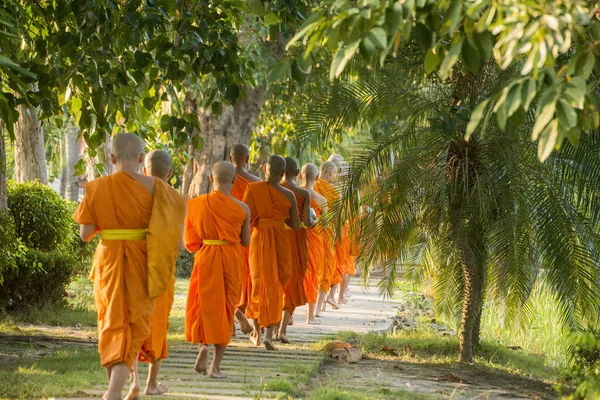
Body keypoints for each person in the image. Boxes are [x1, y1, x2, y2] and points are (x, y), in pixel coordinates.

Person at [73, 134, 186, 400]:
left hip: (109, 260)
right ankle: (116, 391)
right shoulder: (166, 193)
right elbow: (177, 244)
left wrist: (111, 222)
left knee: (111, 323)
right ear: (139, 159)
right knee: (135, 325)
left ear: (111, 158)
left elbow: (85, 234)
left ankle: (112, 392)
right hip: (144, 263)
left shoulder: (97, 188)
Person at [125, 150, 186, 397]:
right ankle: (152, 384)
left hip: (135, 266)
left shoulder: (133, 195)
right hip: (162, 270)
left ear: (145, 169)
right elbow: (181, 245)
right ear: (170, 173)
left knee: (133, 321)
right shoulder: (178, 200)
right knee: (158, 323)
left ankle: (134, 381)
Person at [184, 161, 251, 378]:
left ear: (211, 179)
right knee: (225, 307)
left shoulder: (195, 204)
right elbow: (246, 241)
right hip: (230, 257)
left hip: (206, 257)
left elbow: (190, 242)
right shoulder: (242, 208)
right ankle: (215, 367)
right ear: (233, 180)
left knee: (203, 304)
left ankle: (202, 345)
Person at [243, 155, 300, 350]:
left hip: (259, 239)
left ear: (266, 169)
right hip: (280, 240)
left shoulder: (253, 189)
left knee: (259, 283)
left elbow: (246, 217)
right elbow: (295, 224)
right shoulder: (289, 194)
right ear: (283, 173)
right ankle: (268, 333)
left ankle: (257, 333)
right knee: (276, 283)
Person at [279, 157, 313, 342]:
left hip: (276, 238)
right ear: (297, 172)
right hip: (295, 238)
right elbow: (307, 222)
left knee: (276, 280)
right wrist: (314, 221)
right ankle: (282, 330)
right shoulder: (303, 193)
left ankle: (272, 327)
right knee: (292, 281)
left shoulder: (271, 190)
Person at [229, 144, 261, 336]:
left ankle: (230, 322)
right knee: (248, 279)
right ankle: (241, 312)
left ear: (230, 158)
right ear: (248, 159)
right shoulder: (256, 183)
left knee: (230, 279)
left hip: (228, 237)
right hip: (249, 237)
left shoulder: (222, 180)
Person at [301, 163, 336, 319]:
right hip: (315, 238)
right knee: (316, 273)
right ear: (316, 177)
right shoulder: (321, 200)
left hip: (297, 237)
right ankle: (312, 315)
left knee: (296, 272)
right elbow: (326, 224)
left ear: (301, 176)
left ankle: (288, 314)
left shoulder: (292, 193)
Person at [314, 161, 343, 310]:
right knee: (325, 268)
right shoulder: (334, 192)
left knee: (313, 267)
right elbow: (338, 216)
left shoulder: (311, 187)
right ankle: (319, 307)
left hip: (312, 231)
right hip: (327, 231)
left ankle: (313, 308)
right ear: (331, 173)